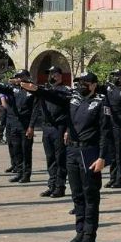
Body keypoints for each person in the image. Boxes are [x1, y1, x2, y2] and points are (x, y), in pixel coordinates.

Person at [21, 73, 113, 242]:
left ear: (94, 85)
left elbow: (105, 132)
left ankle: (89, 236)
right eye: (79, 83)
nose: (81, 86)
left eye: (85, 83)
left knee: (90, 196)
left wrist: (102, 157)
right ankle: (79, 233)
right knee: (77, 195)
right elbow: (54, 96)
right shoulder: (73, 99)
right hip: (72, 150)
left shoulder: (101, 102)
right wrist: (37, 90)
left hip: (90, 151)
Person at [0, 70, 38, 183]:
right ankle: (19, 172)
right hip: (14, 124)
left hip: (26, 125)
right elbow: (2, 88)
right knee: (16, 149)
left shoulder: (33, 90)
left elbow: (35, 111)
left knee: (26, 150)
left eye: (22, 76)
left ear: (28, 77)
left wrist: (31, 126)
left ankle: (26, 174)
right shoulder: (13, 89)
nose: (19, 79)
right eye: (18, 77)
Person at [37, 66, 70, 198]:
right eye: (50, 74)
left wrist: (68, 129)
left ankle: (60, 186)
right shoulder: (45, 90)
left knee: (60, 158)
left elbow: (70, 111)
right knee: (50, 158)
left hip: (59, 127)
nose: (52, 76)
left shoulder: (65, 90)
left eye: (54, 74)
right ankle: (51, 185)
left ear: (60, 75)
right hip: (47, 127)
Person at [105, 69, 121, 189]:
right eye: (114, 76)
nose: (116, 78)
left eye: (118, 76)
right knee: (112, 153)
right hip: (110, 123)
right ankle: (112, 177)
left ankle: (119, 180)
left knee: (120, 154)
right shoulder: (109, 89)